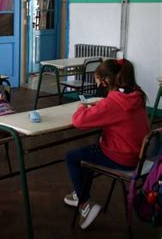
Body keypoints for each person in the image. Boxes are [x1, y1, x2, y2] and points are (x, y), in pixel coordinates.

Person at [64, 58, 149, 229]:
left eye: (98, 81)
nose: (98, 86)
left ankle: (85, 204)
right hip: (140, 156)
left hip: (122, 158)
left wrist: (82, 107)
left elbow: (79, 121)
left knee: (72, 157)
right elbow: (116, 110)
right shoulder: (136, 95)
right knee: (88, 154)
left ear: (106, 81)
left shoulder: (112, 103)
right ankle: (80, 192)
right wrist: (103, 104)